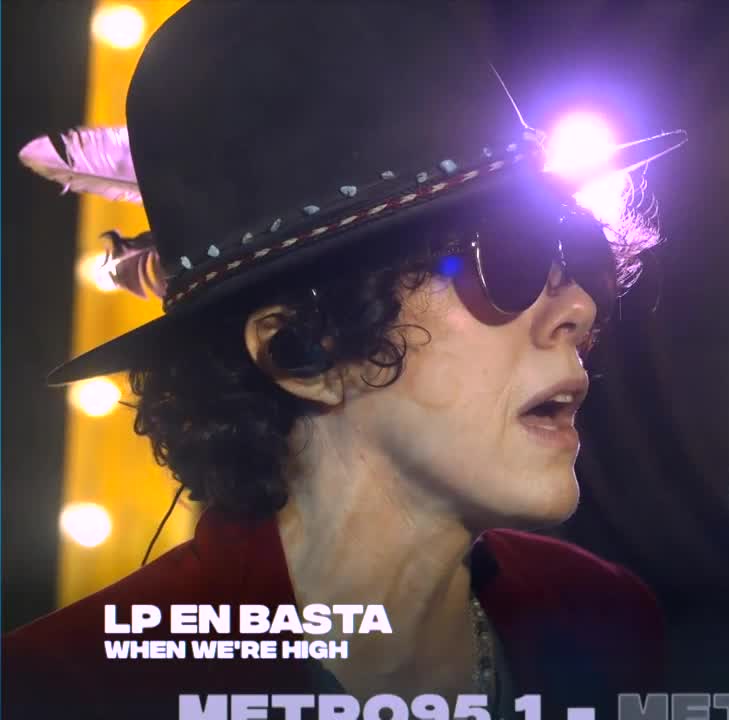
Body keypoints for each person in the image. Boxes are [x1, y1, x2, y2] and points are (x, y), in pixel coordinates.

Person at [3, 2, 685, 719]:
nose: (579, 307)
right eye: (511, 258)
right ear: (303, 350)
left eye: (579, 257)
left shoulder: (607, 621)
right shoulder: (59, 693)